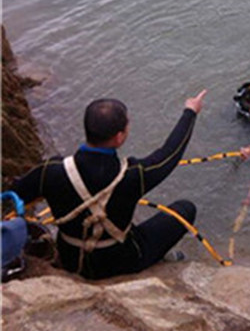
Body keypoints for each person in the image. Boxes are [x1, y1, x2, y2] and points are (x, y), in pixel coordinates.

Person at [11, 90, 207, 279]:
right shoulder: (132, 175)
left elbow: (16, 193)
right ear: (119, 137)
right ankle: (159, 261)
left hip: (69, 258)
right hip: (121, 261)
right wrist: (190, 112)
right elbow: (170, 154)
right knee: (184, 209)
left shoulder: (51, 170)